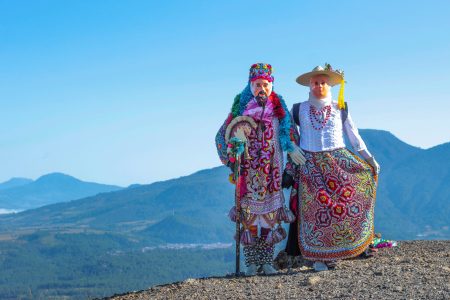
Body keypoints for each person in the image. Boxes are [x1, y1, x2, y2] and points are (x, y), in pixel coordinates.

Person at [283, 64, 380, 272]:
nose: (319, 86)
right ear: (309, 85)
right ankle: (318, 257)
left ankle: (340, 252)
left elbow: (354, 136)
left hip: (339, 163)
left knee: (343, 207)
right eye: (315, 82)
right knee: (316, 211)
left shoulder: (340, 107)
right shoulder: (298, 109)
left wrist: (369, 159)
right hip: (310, 166)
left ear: (330, 85)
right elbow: (288, 133)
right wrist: (291, 150)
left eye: (323, 82)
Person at [215, 63, 304, 276]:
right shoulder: (240, 111)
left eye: (265, 84)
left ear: (271, 85)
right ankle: (251, 263)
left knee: (268, 219)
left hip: (272, 174)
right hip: (248, 174)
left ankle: (266, 262)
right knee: (250, 219)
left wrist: (291, 157)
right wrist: (233, 153)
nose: (261, 89)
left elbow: (291, 137)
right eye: (257, 85)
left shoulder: (280, 112)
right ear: (250, 85)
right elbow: (221, 137)